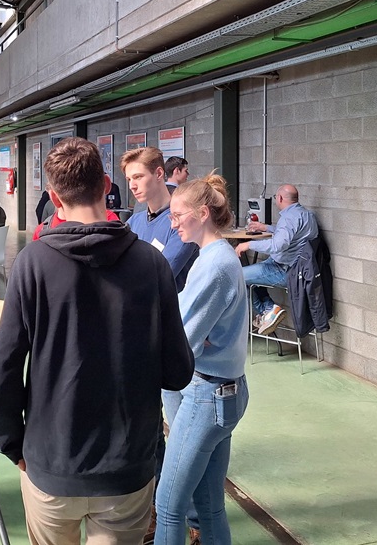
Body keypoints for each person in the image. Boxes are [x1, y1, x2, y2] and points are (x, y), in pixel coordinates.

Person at [0, 137, 194, 545]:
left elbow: (6, 366)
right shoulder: (151, 263)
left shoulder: (32, 263)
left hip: (51, 461)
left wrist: (11, 443)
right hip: (126, 466)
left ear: (53, 197)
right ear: (106, 185)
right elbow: (177, 371)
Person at [156, 174, 249, 545]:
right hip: (223, 392)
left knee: (168, 506)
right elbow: (184, 317)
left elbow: (182, 338)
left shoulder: (215, 266)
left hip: (207, 396)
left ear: (203, 213)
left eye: (178, 216)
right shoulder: (212, 256)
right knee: (209, 506)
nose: (173, 224)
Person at [234, 184, 319, 334]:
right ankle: (269, 309)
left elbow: (278, 245)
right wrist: (266, 228)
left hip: (285, 271)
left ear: (279, 198)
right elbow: (291, 233)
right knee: (252, 275)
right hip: (301, 271)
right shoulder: (306, 215)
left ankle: (267, 311)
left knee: (237, 276)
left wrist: (248, 245)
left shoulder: (288, 218)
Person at [121, 147, 199, 292]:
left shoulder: (183, 223)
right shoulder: (133, 222)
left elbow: (160, 276)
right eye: (129, 179)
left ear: (158, 173)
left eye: (138, 177)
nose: (132, 186)